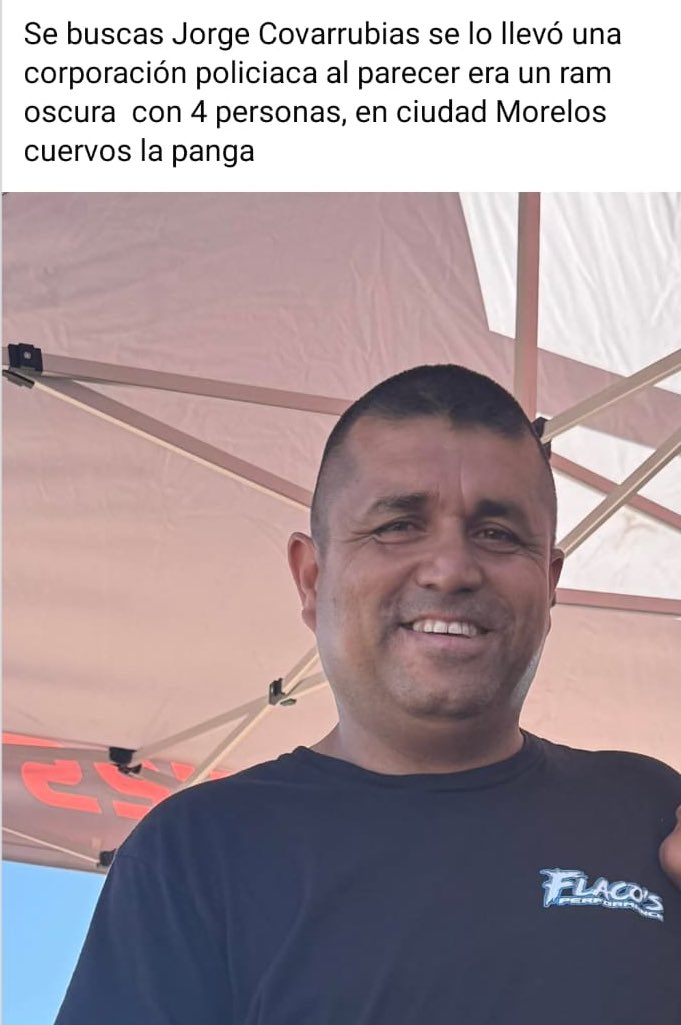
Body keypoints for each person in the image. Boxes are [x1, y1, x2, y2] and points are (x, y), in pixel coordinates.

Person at [56, 365, 681, 1025]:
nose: (451, 568)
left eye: (497, 534)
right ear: (311, 577)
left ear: (549, 581)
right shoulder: (197, 852)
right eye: (398, 525)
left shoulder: (644, 808)